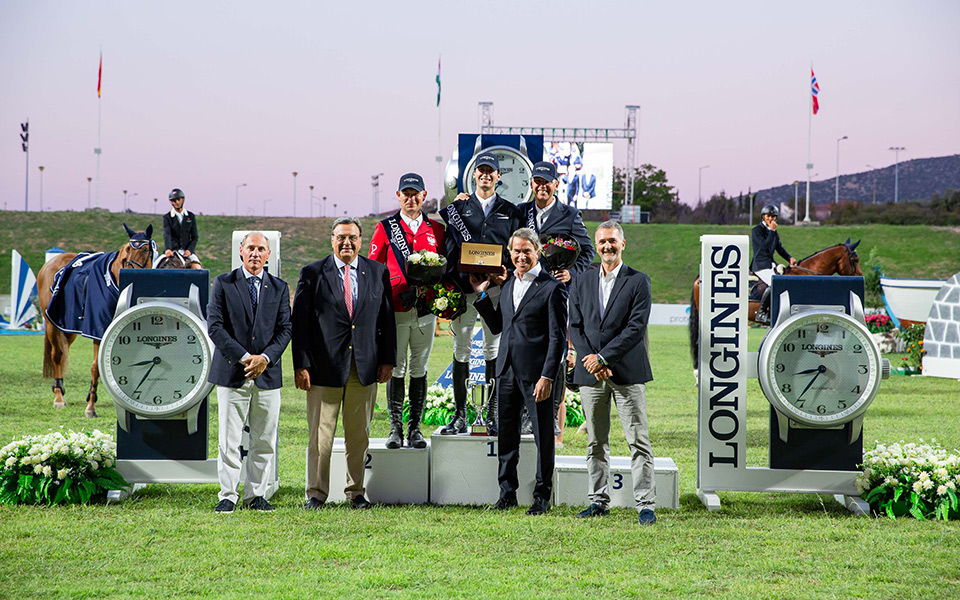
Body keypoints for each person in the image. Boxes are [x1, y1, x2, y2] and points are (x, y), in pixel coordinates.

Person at [292, 217, 396, 510]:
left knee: (358, 436)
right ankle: (315, 493)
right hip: (322, 370)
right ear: (332, 240)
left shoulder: (377, 272)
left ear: (361, 241)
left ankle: (356, 492)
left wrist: (387, 359)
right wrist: (301, 365)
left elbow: (386, 320)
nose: (347, 243)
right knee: (320, 437)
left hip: (364, 368)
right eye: (341, 238)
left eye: (352, 238)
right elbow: (300, 324)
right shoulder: (312, 273)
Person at [471, 228, 567, 515]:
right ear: (510, 254)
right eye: (517, 251)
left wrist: (548, 376)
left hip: (537, 375)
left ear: (537, 252)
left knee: (543, 437)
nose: (522, 256)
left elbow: (557, 337)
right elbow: (500, 325)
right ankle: (506, 493)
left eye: (527, 250)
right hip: (506, 372)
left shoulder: (551, 288)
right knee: (506, 435)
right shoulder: (509, 284)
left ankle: (542, 496)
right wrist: (482, 295)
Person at [568, 220, 657, 525]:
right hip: (590, 373)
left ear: (623, 244)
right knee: (595, 442)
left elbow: (635, 328)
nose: (607, 246)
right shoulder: (581, 281)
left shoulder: (638, 281)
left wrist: (604, 358)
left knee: (638, 441)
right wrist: (591, 359)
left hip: (626, 372)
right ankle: (597, 501)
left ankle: (645, 504)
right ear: (597, 245)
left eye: (612, 241)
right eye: (602, 241)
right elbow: (575, 326)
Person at [207, 232, 292, 513]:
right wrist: (246, 358)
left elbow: (285, 329)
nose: (255, 254)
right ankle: (228, 495)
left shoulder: (279, 288)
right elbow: (215, 327)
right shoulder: (223, 283)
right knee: (229, 440)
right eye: (251, 248)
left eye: (261, 249)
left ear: (268, 255)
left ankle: (256, 495)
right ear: (241, 251)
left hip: (267, 376)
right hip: (233, 373)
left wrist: (265, 358)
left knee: (264, 440)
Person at [441, 153, 521, 436]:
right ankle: (461, 415)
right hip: (465, 290)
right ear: (474, 175)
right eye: (481, 171)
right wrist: (457, 276)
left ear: (499, 177)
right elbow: (448, 247)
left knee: (493, 349)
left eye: (491, 171)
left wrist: (506, 272)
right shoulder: (458, 208)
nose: (486, 175)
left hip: (496, 290)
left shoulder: (512, 211)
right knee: (461, 349)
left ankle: (492, 414)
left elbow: (515, 250)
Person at [516, 161, 595, 444]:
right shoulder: (521, 212)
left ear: (556, 184)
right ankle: (526, 416)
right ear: (531, 184)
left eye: (546, 181)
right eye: (536, 181)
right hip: (525, 295)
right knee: (526, 351)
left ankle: (550, 419)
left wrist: (571, 273)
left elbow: (587, 251)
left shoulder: (570, 215)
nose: (541, 186)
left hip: (556, 296)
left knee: (556, 354)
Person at [368, 173, 445, 449]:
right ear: (398, 196)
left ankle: (415, 429)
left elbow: (444, 269)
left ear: (424, 196)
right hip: (396, 310)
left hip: (425, 311)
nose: (411, 199)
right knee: (396, 368)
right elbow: (373, 271)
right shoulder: (385, 227)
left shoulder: (436, 229)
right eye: (406, 194)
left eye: (416, 194)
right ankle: (395, 429)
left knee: (419, 369)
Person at [751, 204, 797, 324]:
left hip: (771, 264)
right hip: (760, 265)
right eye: (768, 216)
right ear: (763, 216)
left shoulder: (773, 232)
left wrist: (789, 258)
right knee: (774, 284)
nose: (771, 219)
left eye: (773, 216)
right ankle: (761, 313)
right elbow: (764, 247)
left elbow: (779, 248)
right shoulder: (756, 231)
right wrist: (772, 231)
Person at [162, 188, 200, 265]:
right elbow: (167, 234)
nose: (177, 202)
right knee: (155, 265)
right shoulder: (167, 217)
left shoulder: (190, 216)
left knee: (199, 268)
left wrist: (189, 250)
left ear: (183, 199)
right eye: (173, 201)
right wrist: (168, 249)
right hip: (172, 251)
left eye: (178, 200)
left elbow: (194, 237)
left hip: (187, 252)